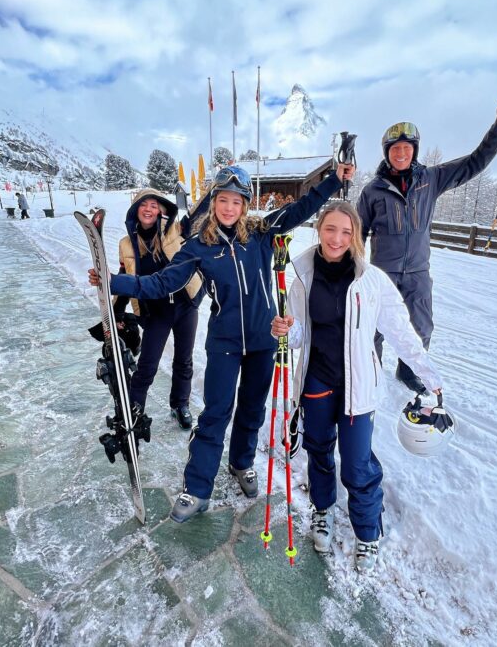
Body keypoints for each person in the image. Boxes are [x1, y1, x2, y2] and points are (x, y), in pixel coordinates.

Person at [89, 164, 349, 522]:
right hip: (224, 342)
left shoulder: (261, 232)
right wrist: (114, 282)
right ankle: (197, 488)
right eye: (222, 200)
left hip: (263, 339)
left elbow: (301, 208)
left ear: (245, 204)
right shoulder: (199, 246)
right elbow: (162, 283)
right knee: (215, 414)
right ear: (213, 203)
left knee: (252, 411)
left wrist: (334, 180)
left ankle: (241, 464)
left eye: (236, 201)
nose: (229, 208)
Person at [271, 202, 443, 572]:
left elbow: (401, 333)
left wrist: (431, 378)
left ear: (356, 236)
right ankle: (323, 511)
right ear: (319, 229)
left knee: (357, 463)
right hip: (316, 380)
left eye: (346, 232)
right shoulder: (300, 271)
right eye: (330, 229)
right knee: (318, 452)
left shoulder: (372, 280)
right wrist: (287, 329)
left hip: (359, 386)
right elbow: (301, 333)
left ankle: (367, 532)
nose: (337, 239)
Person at [357, 91, 497, 394]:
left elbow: (475, 162)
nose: (401, 153)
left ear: (414, 151)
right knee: (374, 326)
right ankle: (371, 368)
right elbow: (358, 234)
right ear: (386, 152)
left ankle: (408, 369)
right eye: (395, 148)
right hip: (383, 273)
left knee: (421, 327)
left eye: (406, 147)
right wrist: (356, 271)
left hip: (417, 272)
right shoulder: (372, 191)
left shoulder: (432, 179)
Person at [112, 189, 208, 430]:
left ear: (161, 211)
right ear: (135, 210)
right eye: (143, 204)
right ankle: (134, 409)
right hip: (156, 311)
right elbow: (126, 277)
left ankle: (180, 404)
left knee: (184, 360)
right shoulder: (126, 243)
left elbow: (200, 214)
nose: (148, 209)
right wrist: (116, 313)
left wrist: (217, 186)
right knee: (148, 364)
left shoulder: (175, 231)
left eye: (154, 205)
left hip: (185, 305)